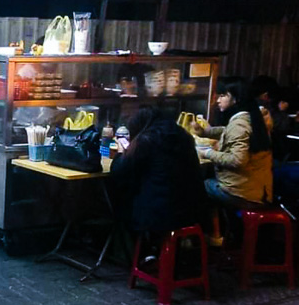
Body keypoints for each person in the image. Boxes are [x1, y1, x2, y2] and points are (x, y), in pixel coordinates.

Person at [110, 107, 207, 233]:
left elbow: (118, 171)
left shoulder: (147, 139)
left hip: (162, 217)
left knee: (118, 208)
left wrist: (120, 152)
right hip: (194, 212)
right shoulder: (182, 135)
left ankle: (136, 250)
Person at [196, 77, 273, 210]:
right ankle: (223, 226)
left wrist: (206, 153)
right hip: (259, 192)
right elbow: (229, 131)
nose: (218, 100)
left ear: (236, 99)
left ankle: (214, 230)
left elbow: (238, 160)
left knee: (197, 185)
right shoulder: (253, 117)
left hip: (243, 195)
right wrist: (206, 132)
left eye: (222, 95)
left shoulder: (239, 124)